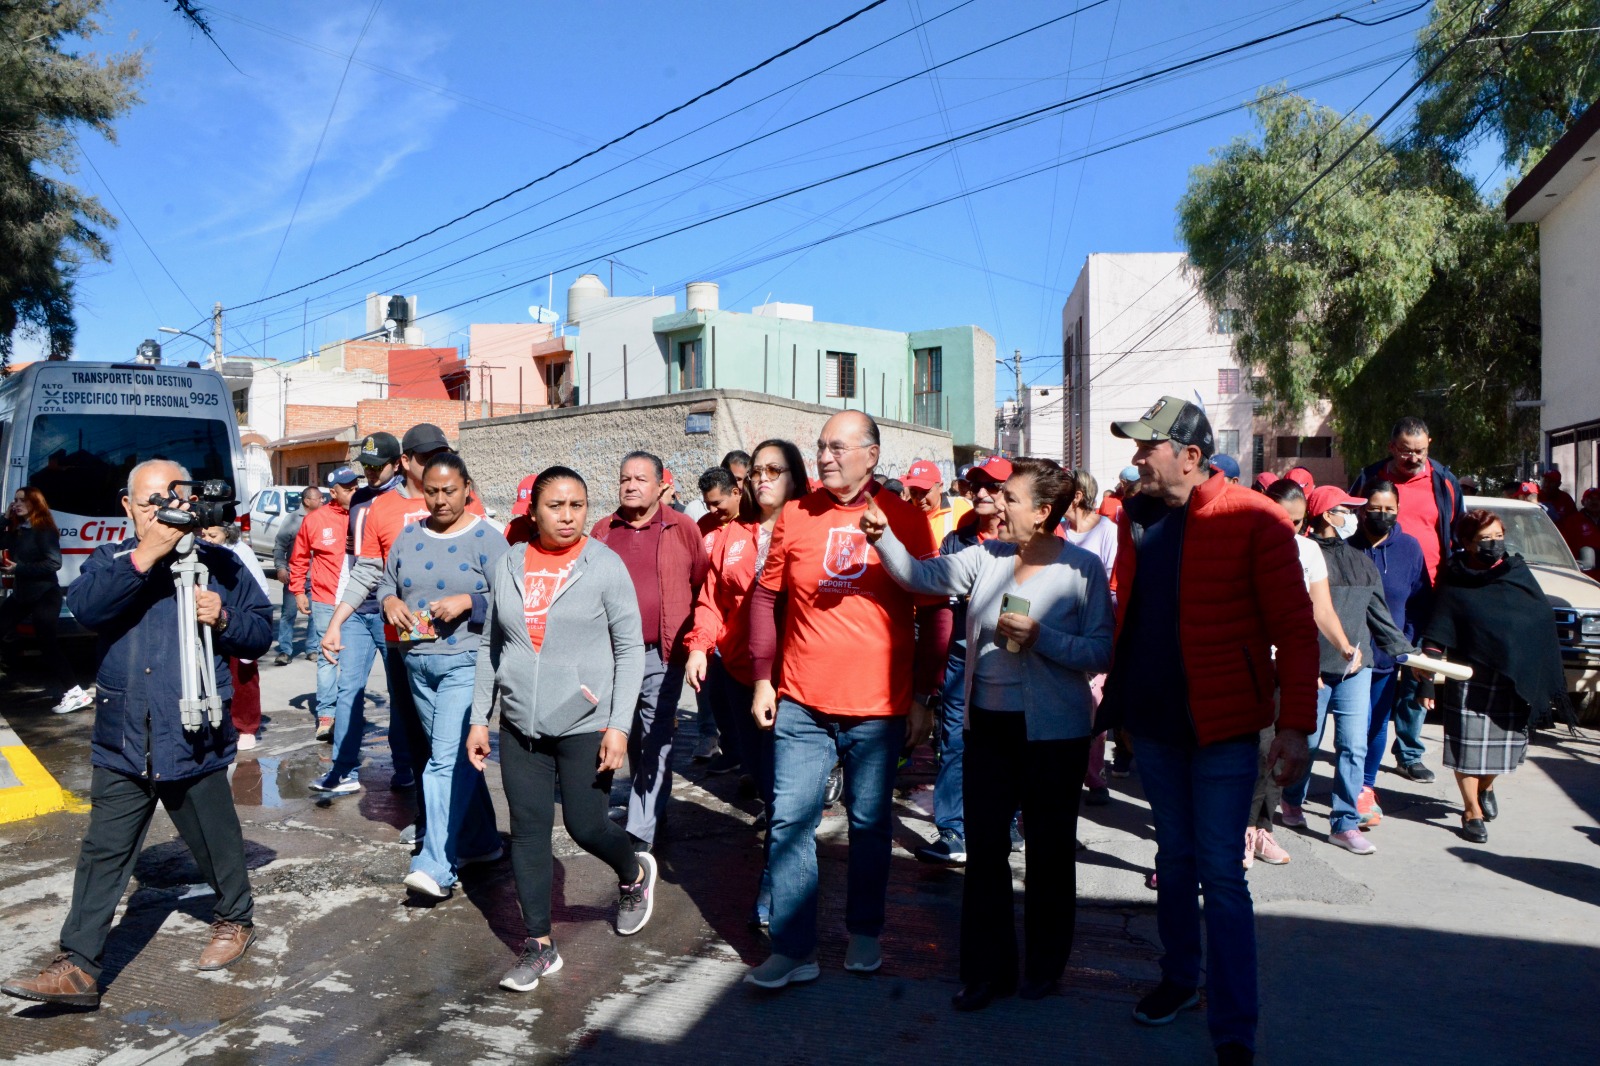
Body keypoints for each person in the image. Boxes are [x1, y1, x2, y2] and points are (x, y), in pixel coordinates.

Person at [1, 460, 272, 1010]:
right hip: (124, 734)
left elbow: (260, 633)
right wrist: (148, 553)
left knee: (213, 840)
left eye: (176, 497)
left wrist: (223, 617)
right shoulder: (111, 560)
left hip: (191, 731)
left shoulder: (221, 564)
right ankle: (78, 966)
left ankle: (234, 919)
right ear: (127, 507)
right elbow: (87, 607)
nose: (166, 511)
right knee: (103, 852)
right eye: (152, 501)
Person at [1099, 396, 1317, 1064]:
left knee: (1221, 873)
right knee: (1174, 860)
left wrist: (1297, 726)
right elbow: (1127, 616)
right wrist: (1118, 710)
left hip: (1225, 728)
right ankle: (1178, 979)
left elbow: (1295, 630)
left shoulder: (1258, 519)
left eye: (1148, 447)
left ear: (1190, 456)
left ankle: (1233, 1025)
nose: (1136, 458)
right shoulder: (1134, 517)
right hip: (1157, 724)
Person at [866, 457, 1114, 1010]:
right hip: (990, 729)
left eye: (1010, 498)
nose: (997, 505)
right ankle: (987, 972)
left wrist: (1042, 635)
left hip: (1057, 735)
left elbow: (1099, 651)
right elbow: (918, 576)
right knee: (985, 853)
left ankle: (1045, 968)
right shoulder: (982, 557)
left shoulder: (1082, 570)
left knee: (1050, 855)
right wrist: (883, 539)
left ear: (1044, 512)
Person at [743, 411, 942, 989]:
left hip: (880, 706)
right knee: (788, 823)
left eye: (838, 447)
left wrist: (925, 696)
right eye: (820, 446)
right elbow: (765, 596)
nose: (825, 456)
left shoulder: (905, 517)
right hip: (801, 701)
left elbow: (934, 614)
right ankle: (792, 947)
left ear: (872, 455)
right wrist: (763, 676)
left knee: (870, 824)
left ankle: (864, 930)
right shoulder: (796, 514)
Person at [466, 466, 657, 992]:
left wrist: (618, 726)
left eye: (577, 505)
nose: (568, 516)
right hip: (520, 724)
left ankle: (634, 873)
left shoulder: (604, 565)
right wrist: (480, 718)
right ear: (534, 511)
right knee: (528, 835)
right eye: (556, 506)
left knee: (585, 826)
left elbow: (628, 651)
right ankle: (539, 947)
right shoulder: (507, 564)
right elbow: (491, 646)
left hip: (585, 721)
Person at [322, 425, 485, 814]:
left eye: (441, 454)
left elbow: (491, 571)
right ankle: (432, 819)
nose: (436, 465)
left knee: (453, 739)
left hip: (458, 645)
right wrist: (336, 621)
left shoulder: (470, 503)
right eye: (427, 457)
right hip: (406, 640)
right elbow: (370, 572)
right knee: (415, 731)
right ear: (405, 462)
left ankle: (460, 829)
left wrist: (471, 602)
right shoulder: (382, 508)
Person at [684, 438, 810, 926]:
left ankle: (778, 893)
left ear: (795, 477)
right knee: (765, 778)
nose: (760, 479)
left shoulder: (814, 528)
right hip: (739, 674)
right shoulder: (731, 534)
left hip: (796, 679)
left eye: (773, 470)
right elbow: (713, 600)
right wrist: (699, 645)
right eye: (754, 471)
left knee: (787, 789)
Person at [376, 453, 508, 899]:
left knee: (442, 764)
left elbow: (513, 597)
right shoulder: (410, 535)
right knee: (453, 759)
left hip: (467, 663)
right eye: (431, 491)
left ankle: (436, 864)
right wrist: (389, 602)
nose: (439, 500)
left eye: (449, 491)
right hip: (417, 665)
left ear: (467, 488)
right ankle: (483, 843)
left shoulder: (488, 539)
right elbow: (385, 582)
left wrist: (470, 602)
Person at [1417, 509, 1570, 845]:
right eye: (1485, 539)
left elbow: (1539, 616)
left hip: (1511, 677)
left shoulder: (1516, 572)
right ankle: (1471, 810)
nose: (1494, 544)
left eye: (1498, 536)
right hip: (1469, 675)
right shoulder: (1455, 578)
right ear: (1467, 543)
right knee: (1467, 748)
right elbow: (1438, 628)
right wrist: (1426, 680)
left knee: (1504, 751)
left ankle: (1486, 787)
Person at [1279, 486, 1415, 855]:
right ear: (1325, 514)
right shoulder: (1301, 554)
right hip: (1313, 669)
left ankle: (1344, 822)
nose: (1355, 516)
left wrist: (1409, 655)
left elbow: (1381, 618)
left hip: (1358, 667)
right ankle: (1291, 799)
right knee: (1306, 744)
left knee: (1353, 745)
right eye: (1346, 509)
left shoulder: (1363, 561)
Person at [590, 451, 708, 852]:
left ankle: (640, 833)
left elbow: (700, 581)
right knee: (629, 734)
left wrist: (693, 642)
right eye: (625, 478)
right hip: (610, 655)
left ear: (661, 486)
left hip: (662, 652)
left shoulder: (683, 528)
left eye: (641, 478)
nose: (631, 485)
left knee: (657, 736)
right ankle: (652, 804)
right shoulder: (604, 529)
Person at [1250, 478, 1355, 868]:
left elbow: (1321, 609)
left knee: (1280, 751)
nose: (1288, 529)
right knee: (1257, 749)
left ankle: (1265, 829)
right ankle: (1242, 831)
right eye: (1281, 519)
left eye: (1296, 522)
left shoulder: (1308, 550)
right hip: (1249, 663)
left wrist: (1344, 645)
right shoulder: (1245, 542)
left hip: (1290, 664)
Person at [915, 455, 1011, 866]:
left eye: (992, 485)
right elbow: (941, 594)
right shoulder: (959, 536)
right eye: (977, 485)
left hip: (1011, 660)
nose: (982, 493)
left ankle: (1008, 821)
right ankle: (952, 830)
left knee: (1006, 744)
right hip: (961, 655)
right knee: (955, 741)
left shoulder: (1028, 534)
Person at [314, 432, 408, 795]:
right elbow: (353, 562)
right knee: (348, 689)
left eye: (376, 467)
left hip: (391, 613)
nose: (368, 474)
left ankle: (405, 767)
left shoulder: (408, 501)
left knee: (400, 694)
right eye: (364, 467)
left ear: (397, 463)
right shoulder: (359, 501)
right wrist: (340, 609)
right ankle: (343, 770)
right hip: (357, 610)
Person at [1349, 482, 1430, 823]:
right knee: (1352, 729)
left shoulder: (1410, 549)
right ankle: (1306, 791)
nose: (1382, 516)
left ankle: (1364, 788)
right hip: (1349, 657)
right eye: (1375, 509)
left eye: (1389, 510)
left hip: (1387, 658)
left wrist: (1406, 644)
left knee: (1377, 725)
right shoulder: (1346, 548)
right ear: (1360, 509)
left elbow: (1419, 602)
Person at [1348, 416, 1466, 585]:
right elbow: (1348, 524)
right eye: (1406, 451)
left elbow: (1460, 534)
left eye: (1420, 451)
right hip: (1378, 585)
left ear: (1429, 445)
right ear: (1391, 447)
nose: (1413, 459)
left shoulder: (1444, 482)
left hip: (1432, 587)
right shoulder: (1369, 478)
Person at [0, 486, 85, 713]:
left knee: (48, 644)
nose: (16, 504)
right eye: (15, 500)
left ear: (34, 504)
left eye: (21, 501)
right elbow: (2, 542)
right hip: (23, 594)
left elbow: (53, 563)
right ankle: (74, 690)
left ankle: (75, 691)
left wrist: (20, 568)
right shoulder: (21, 529)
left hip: (45, 595)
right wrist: (5, 519)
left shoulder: (43, 530)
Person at [1062, 468, 1117, 807]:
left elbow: (1113, 585)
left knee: (1094, 705)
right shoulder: (1058, 528)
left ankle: (1094, 776)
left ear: (1077, 496)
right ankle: (1068, 774)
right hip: (1060, 627)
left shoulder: (1108, 530)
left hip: (1095, 628)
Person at [291, 468, 356, 740]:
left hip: (358, 603)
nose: (353, 491)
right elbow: (299, 557)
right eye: (347, 488)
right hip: (325, 600)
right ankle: (327, 717)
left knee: (354, 662)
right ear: (334, 492)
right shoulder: (316, 520)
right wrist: (298, 591)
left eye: (355, 486)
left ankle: (351, 713)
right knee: (328, 659)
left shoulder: (364, 514)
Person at [690, 464, 746, 767]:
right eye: (707, 503)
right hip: (713, 630)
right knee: (718, 702)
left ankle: (752, 766)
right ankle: (735, 756)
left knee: (745, 708)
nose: (713, 509)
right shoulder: (704, 526)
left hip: (744, 634)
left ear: (736, 492)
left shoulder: (754, 525)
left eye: (718, 503)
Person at [199, 522, 271, 751]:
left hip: (238, 623)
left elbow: (259, 591)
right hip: (212, 625)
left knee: (243, 679)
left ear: (227, 534)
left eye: (214, 534)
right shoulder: (203, 554)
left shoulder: (240, 553)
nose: (209, 539)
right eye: (205, 534)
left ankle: (247, 727)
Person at [272, 487, 319, 665]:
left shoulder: (322, 517)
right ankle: (285, 650)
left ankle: (312, 649)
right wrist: (281, 567)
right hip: (295, 576)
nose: (322, 501)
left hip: (316, 577)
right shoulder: (292, 520)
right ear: (307, 501)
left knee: (315, 614)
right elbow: (280, 546)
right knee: (289, 614)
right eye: (318, 498)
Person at [903, 459, 971, 541]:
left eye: (925, 492)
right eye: (913, 492)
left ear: (940, 487)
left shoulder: (961, 509)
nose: (919, 498)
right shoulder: (903, 515)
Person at [1559, 487, 1600, 577]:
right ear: (1582, 502)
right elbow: (1563, 544)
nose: (1594, 502)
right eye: (1590, 499)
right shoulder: (1572, 521)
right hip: (1584, 574)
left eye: (1598, 499)